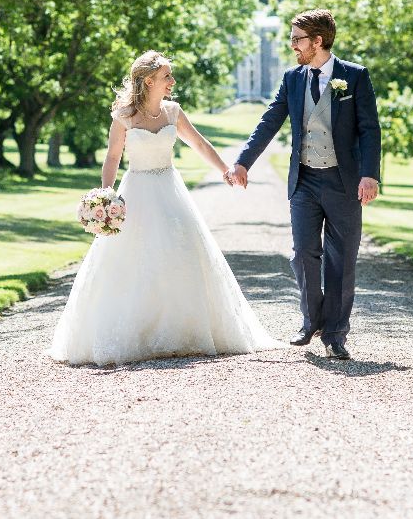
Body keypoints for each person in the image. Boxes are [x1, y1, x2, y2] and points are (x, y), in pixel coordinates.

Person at [48, 50, 283, 367]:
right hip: (137, 190)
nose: (172, 81)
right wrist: (107, 195)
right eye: (166, 76)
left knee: (182, 252)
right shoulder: (124, 117)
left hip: (170, 189)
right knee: (131, 259)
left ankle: (181, 331)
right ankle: (139, 331)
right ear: (149, 81)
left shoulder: (173, 112)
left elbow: (199, 143)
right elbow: (113, 158)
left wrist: (225, 169)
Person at [228, 10, 380, 360]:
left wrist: (369, 174)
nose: (292, 44)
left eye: (297, 38)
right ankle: (311, 319)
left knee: (342, 259)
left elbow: (370, 129)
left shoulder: (354, 77)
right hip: (305, 180)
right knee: (303, 254)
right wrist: (243, 161)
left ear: (318, 41)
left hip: (344, 182)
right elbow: (270, 120)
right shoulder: (293, 78)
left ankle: (336, 334)